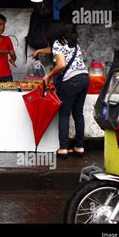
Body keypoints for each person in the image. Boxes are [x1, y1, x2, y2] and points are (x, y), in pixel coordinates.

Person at [39, 24, 89, 159]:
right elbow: (54, 51)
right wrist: (39, 51)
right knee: (78, 113)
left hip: (71, 81)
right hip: (84, 78)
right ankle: (79, 147)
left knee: (64, 114)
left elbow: (61, 64)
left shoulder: (57, 43)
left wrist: (48, 76)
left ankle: (63, 149)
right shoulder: (73, 42)